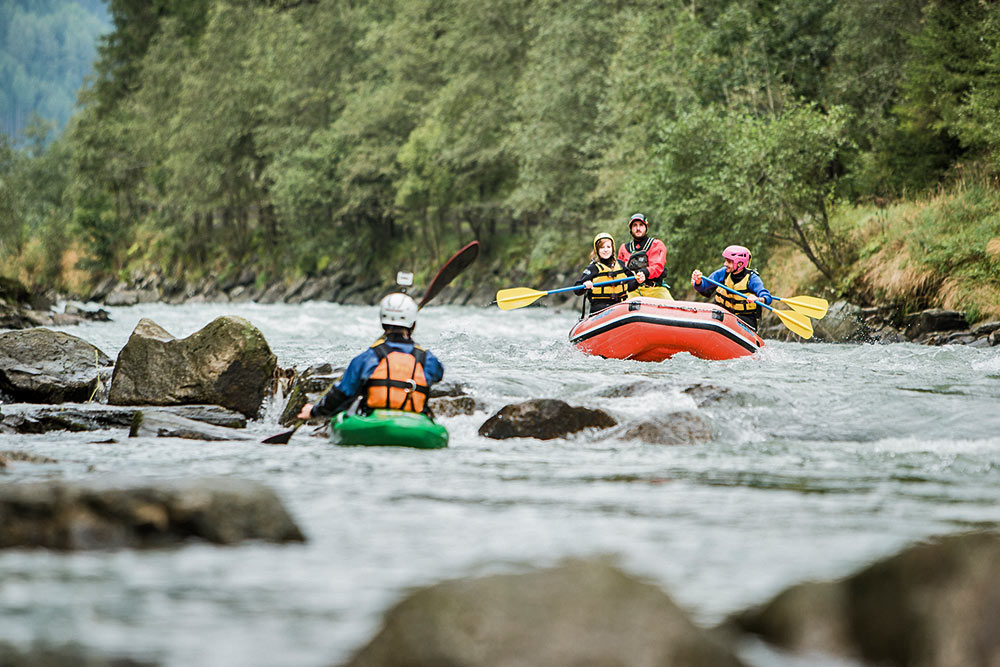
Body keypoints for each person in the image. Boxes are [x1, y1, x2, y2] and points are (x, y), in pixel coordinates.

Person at [297, 292, 444, 420]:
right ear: (413, 325)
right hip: (416, 423)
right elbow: (438, 374)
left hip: (374, 421)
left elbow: (342, 394)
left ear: (382, 324)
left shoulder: (367, 358)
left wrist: (314, 412)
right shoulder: (427, 360)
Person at [691, 245, 772, 330]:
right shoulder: (723, 273)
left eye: (729, 262)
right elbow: (705, 288)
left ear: (740, 264)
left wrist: (758, 299)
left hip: (744, 320)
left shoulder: (752, 278)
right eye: (726, 261)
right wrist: (698, 282)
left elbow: (767, 297)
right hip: (723, 314)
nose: (725, 264)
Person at [574, 232, 638, 314]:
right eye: (602, 247)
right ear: (597, 250)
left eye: (608, 247)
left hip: (620, 306)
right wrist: (585, 286)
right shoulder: (593, 268)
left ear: (612, 248)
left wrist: (637, 281)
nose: (605, 250)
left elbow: (630, 286)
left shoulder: (621, 265)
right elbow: (577, 290)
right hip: (599, 310)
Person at [617, 213, 673, 300]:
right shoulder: (624, 248)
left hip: (655, 289)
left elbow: (658, 266)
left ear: (646, 227)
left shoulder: (656, 244)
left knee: (671, 308)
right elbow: (620, 272)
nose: (638, 228)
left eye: (641, 225)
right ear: (631, 229)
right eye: (635, 226)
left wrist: (644, 273)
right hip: (633, 290)